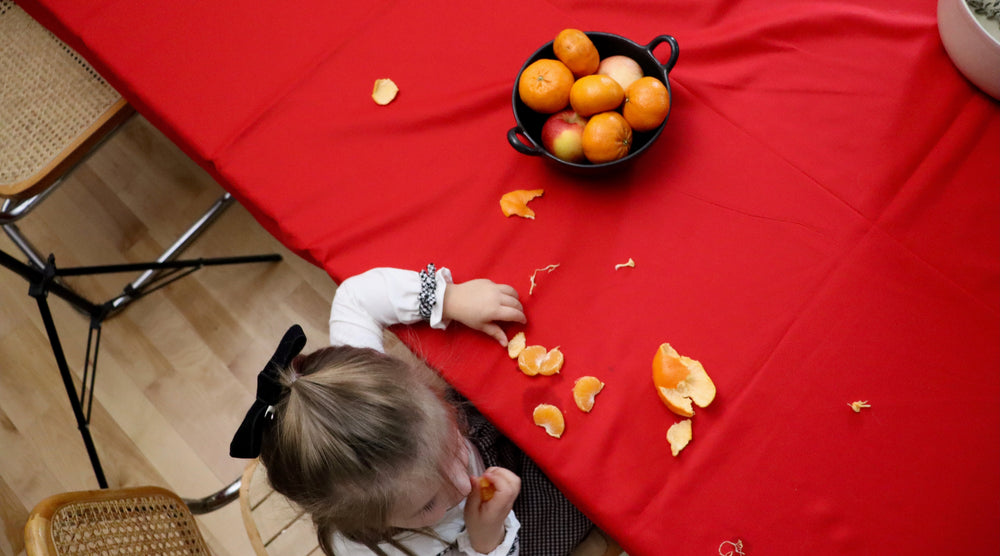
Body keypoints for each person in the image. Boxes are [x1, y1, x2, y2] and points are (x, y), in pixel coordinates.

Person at [230, 265, 593, 556]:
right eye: (427, 505)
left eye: (452, 447)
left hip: (497, 450)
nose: (462, 482)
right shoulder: (362, 548)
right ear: (376, 521)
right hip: (502, 533)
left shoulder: (365, 386)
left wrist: (447, 297)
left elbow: (354, 298)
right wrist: (485, 541)